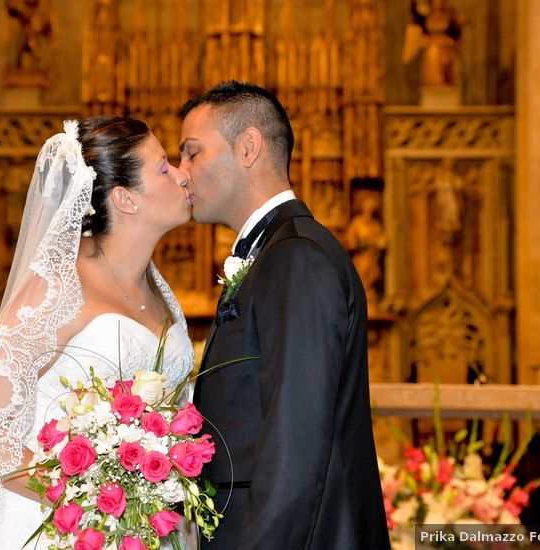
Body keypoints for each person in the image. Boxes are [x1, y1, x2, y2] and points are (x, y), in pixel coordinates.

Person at [0, 117, 195, 549]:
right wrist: (86, 494)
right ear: (125, 199)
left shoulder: (160, 290)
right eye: (164, 168)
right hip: (50, 528)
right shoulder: (60, 287)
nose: (182, 174)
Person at [179, 81, 390, 549]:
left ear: (248, 147)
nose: (182, 172)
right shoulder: (278, 252)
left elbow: (296, 451)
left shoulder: (296, 258)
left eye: (192, 153)